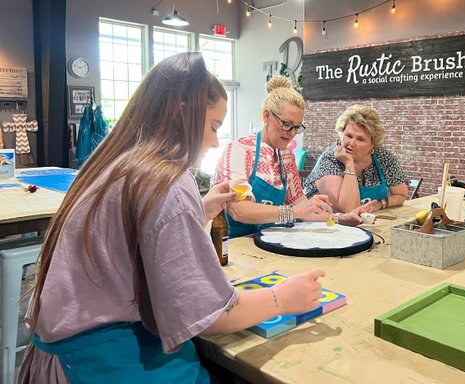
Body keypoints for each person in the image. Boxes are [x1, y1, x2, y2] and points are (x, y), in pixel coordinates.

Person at [18, 53, 326, 384]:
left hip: (56, 354)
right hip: (103, 362)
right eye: (212, 127)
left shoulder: (119, 161)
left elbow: (138, 236)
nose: (214, 141)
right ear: (183, 111)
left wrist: (201, 209)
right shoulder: (166, 180)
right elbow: (206, 313)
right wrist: (280, 298)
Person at [214, 77, 361, 237]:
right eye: (287, 124)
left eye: (297, 127)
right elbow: (238, 209)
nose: (292, 133)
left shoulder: (286, 157)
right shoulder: (240, 150)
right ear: (266, 116)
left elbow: (300, 203)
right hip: (234, 246)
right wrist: (292, 212)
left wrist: (337, 217)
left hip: (268, 241)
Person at [303, 105, 407, 214]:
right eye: (348, 136)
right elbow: (347, 209)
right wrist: (349, 164)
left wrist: (380, 203)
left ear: (373, 144)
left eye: (360, 139)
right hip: (320, 225)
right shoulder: (330, 159)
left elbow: (401, 195)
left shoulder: (383, 157)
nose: (351, 143)